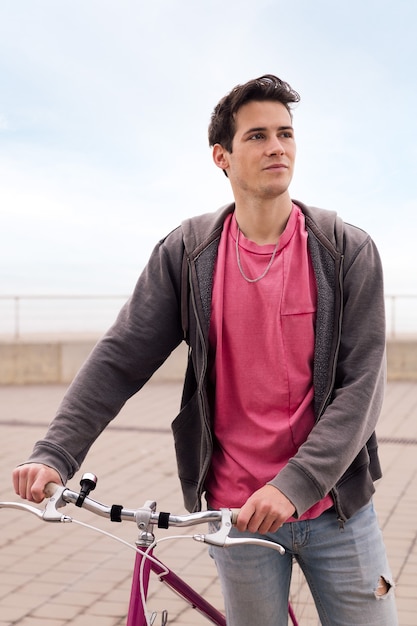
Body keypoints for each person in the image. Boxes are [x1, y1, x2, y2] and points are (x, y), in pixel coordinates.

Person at [13, 74, 398, 625]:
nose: (277, 147)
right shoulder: (188, 254)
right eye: (257, 136)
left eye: (286, 134)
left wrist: (294, 486)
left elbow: (363, 387)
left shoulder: (344, 250)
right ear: (221, 155)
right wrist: (56, 452)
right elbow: (120, 359)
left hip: (336, 508)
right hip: (235, 516)